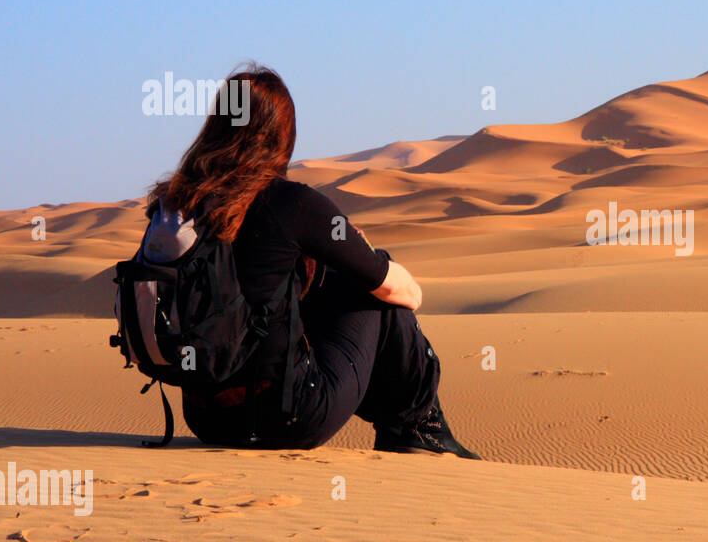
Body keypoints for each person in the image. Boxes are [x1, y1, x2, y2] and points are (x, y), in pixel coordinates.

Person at [146, 66, 479, 458]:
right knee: (377, 290)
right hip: (288, 418)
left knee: (330, 281)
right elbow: (398, 289)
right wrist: (379, 268)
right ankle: (416, 427)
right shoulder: (291, 203)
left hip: (207, 420)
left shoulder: (172, 207)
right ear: (280, 134)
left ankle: (412, 427)